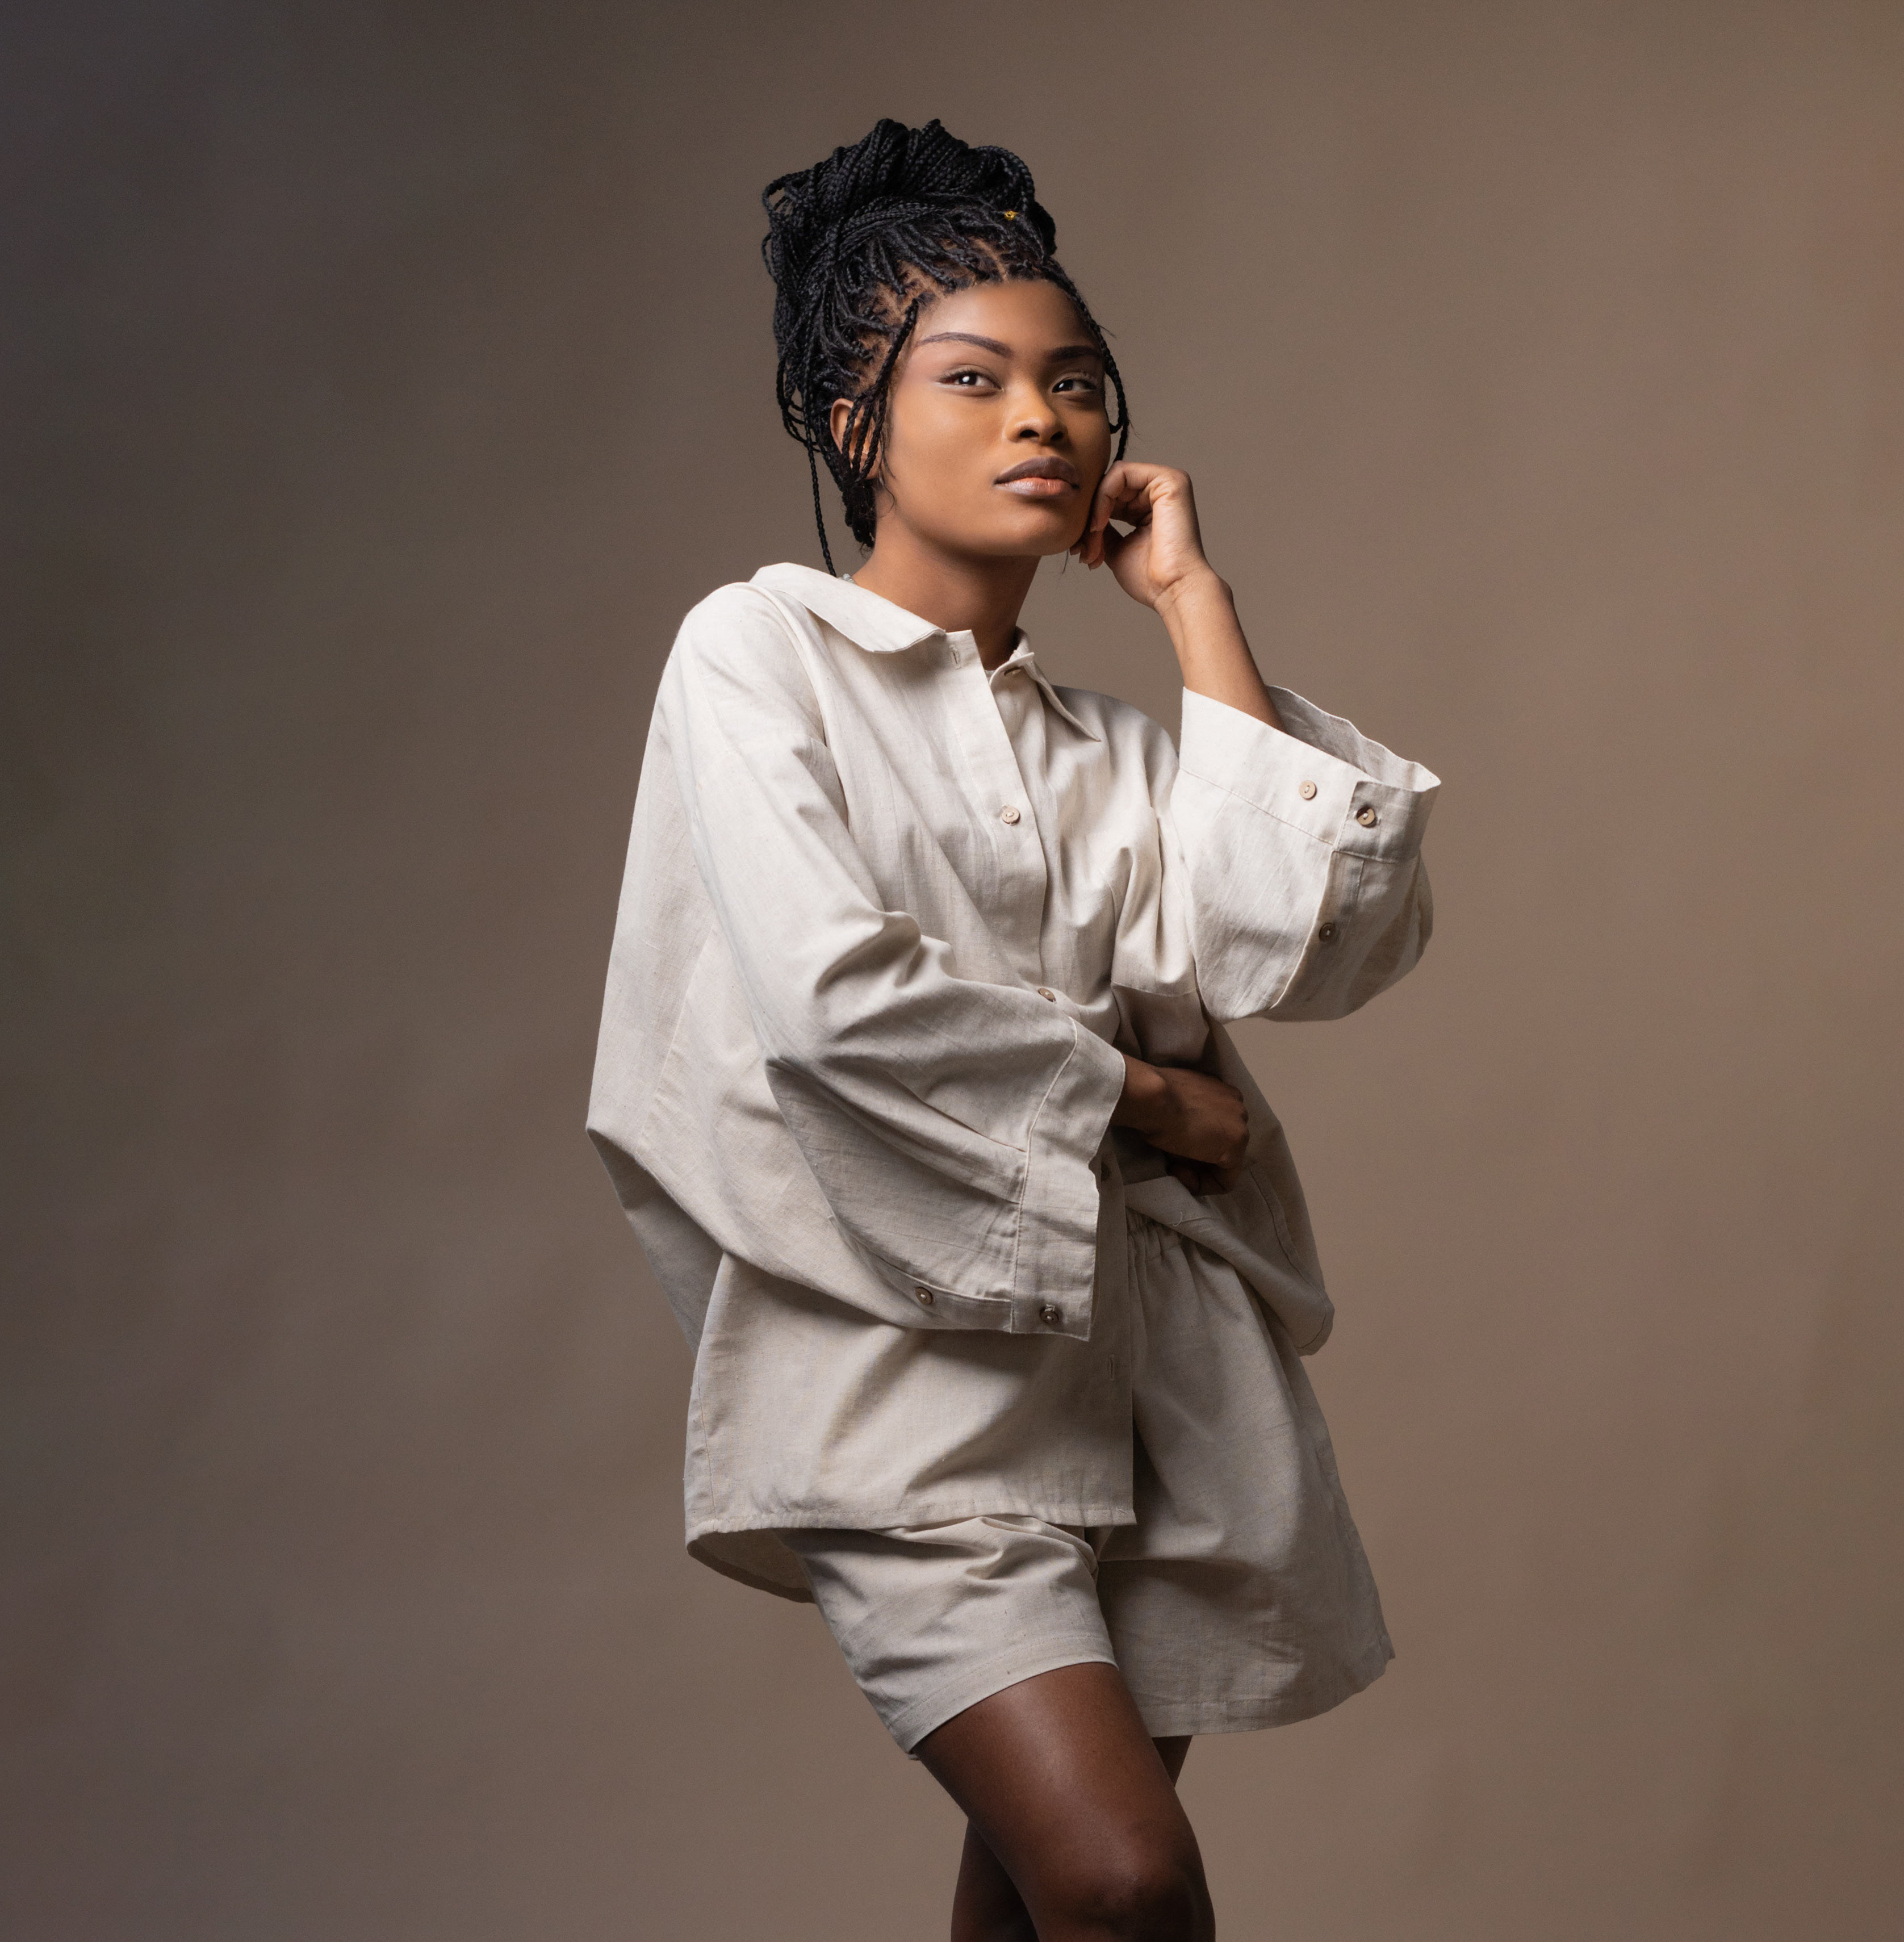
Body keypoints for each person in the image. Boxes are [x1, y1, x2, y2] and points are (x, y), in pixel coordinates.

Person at [589, 116, 1439, 1942]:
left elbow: (1297, 945)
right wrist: (1145, 1095)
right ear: (852, 422)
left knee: (1047, 1912)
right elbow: (834, 999)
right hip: (906, 1389)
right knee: (1122, 1883)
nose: (1039, 418)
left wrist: (1191, 605)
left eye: (1074, 382)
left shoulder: (1115, 751)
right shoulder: (758, 655)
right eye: (970, 380)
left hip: (1155, 1391)